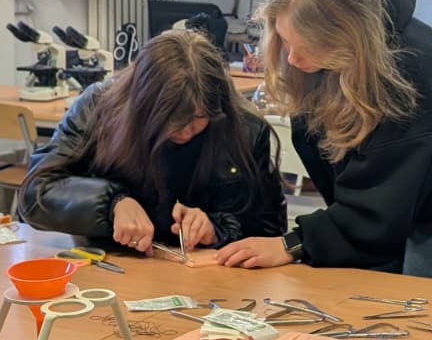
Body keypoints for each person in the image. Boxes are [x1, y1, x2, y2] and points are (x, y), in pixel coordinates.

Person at [215, 0, 432, 284]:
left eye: (305, 47)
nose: (292, 59)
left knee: (431, 314)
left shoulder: (406, 70)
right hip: (386, 208)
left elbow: (380, 209)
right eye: (286, 41)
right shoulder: (323, 57)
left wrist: (294, 243)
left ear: (347, 33)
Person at [17, 28, 285, 252]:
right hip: (112, 264)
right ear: (142, 107)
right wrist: (111, 203)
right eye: (171, 121)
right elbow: (35, 194)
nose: (185, 132)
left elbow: (270, 229)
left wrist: (216, 229)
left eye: (198, 119)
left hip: (207, 276)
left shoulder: (246, 129)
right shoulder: (97, 108)